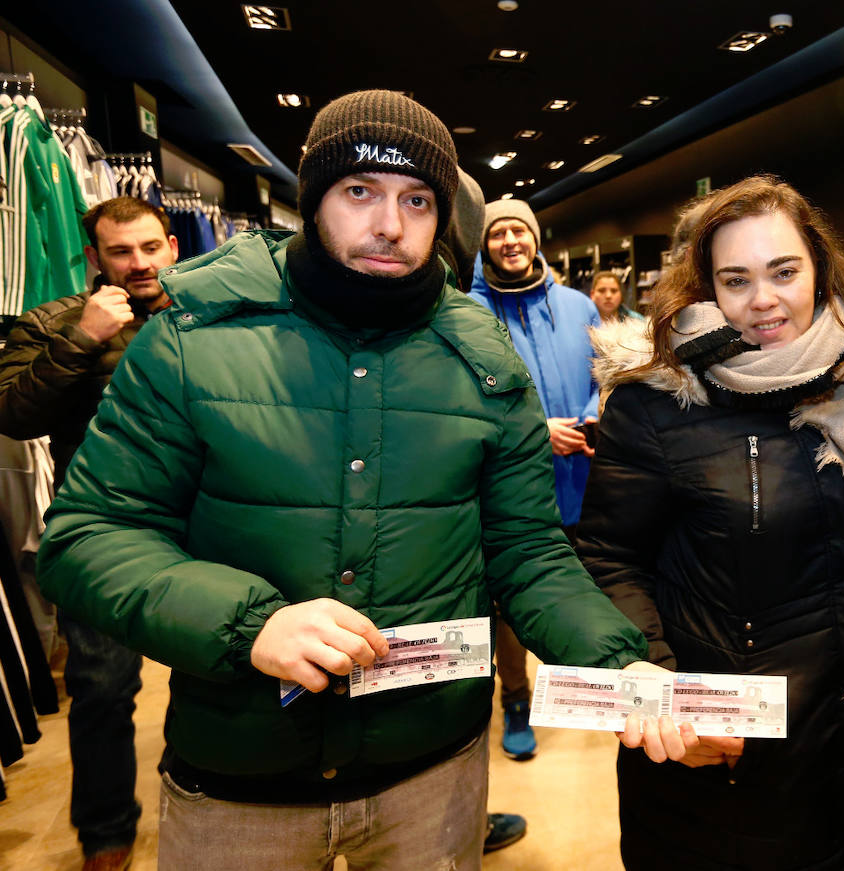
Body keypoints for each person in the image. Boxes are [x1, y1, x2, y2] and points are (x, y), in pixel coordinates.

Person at [36, 89, 652, 871]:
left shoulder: (487, 362)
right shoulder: (191, 342)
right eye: (360, 192)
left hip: (430, 776)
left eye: (417, 200)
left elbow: (528, 553)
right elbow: (86, 537)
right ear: (313, 199)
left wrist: (620, 665)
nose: (389, 224)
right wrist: (247, 623)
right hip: (240, 783)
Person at [579, 175, 844, 870]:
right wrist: (653, 682)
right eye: (735, 279)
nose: (762, 300)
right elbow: (607, 558)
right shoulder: (658, 402)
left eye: (783, 271)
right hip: (729, 764)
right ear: (705, 286)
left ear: (819, 270)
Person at [0, 195, 177, 871]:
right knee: (103, 685)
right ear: (94, 257)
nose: (138, 263)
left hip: (205, 519)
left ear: (172, 246)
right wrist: (82, 340)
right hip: (101, 525)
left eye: (149, 247)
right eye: (121, 251)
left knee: (228, 668)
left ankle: (229, 797)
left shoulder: (209, 313)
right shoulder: (53, 321)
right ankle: (105, 831)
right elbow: (13, 415)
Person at [469, 198, 600, 761]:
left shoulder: (577, 305)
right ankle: (516, 700)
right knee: (514, 603)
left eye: (518, 229)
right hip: (511, 482)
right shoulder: (468, 311)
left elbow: (608, 368)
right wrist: (534, 428)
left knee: (584, 587)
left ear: (535, 237)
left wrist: (599, 408)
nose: (510, 241)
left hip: (585, 476)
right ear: (485, 243)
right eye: (498, 233)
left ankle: (588, 683)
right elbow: (464, 392)